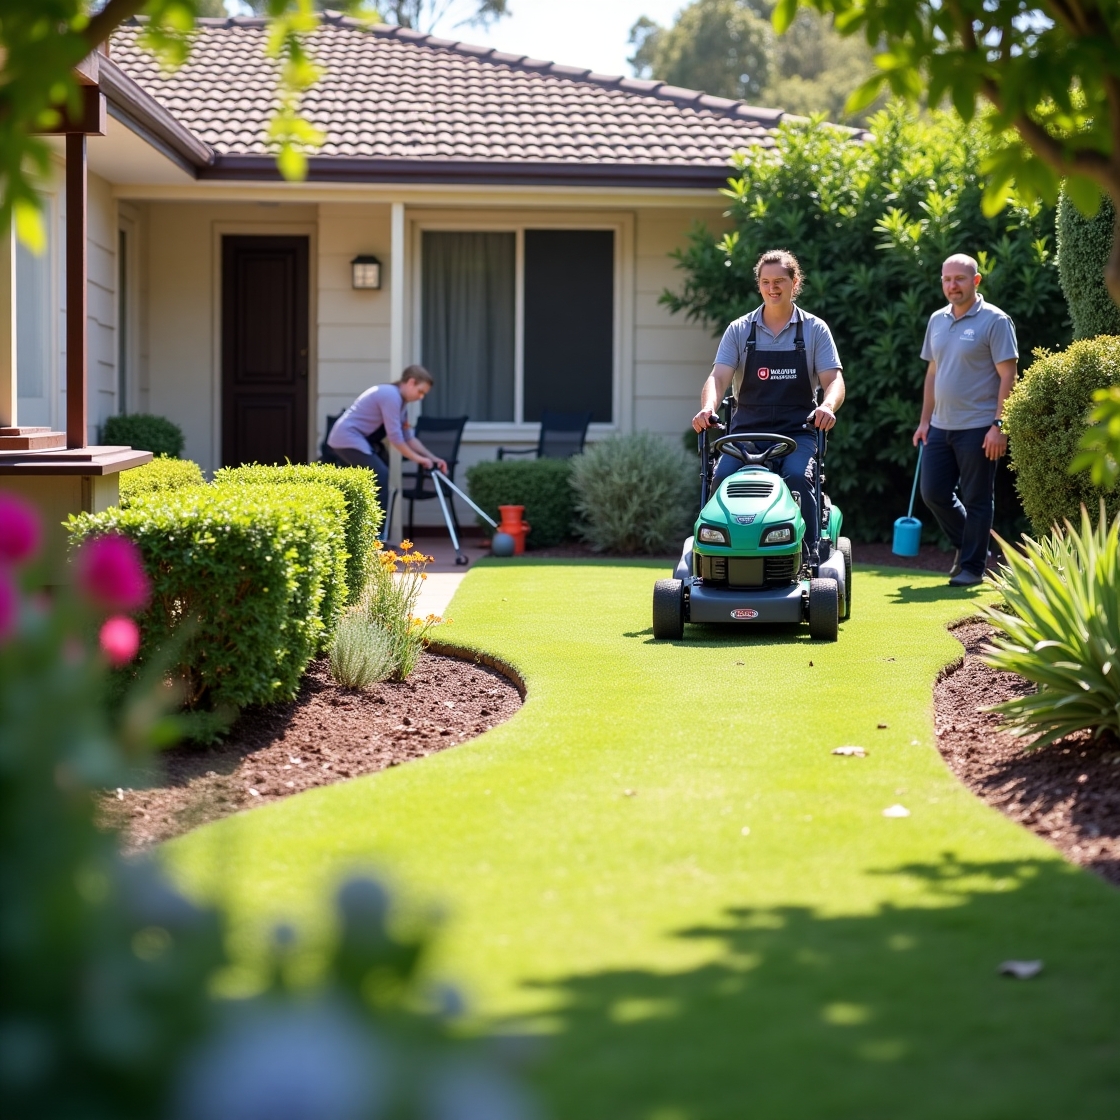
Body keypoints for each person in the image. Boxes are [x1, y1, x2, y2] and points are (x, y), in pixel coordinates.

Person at [692, 248, 845, 551]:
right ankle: (716, 551)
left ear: (794, 282)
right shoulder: (739, 330)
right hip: (745, 434)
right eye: (765, 282)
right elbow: (718, 378)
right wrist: (708, 407)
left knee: (798, 479)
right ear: (759, 284)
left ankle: (808, 554)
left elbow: (834, 380)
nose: (772, 288)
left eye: (779, 281)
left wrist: (827, 406)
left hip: (797, 433)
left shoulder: (815, 330)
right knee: (721, 477)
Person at [912, 254, 1018, 587]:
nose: (951, 285)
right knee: (933, 493)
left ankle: (972, 567)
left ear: (976, 281)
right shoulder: (937, 320)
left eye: (959, 278)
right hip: (941, 426)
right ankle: (971, 547)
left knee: (977, 499)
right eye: (946, 279)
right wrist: (924, 421)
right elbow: (932, 372)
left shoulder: (995, 321)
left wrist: (999, 425)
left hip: (979, 427)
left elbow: (1009, 376)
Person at [327, 365, 448, 536]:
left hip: (361, 440)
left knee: (377, 480)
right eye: (420, 392)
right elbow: (395, 439)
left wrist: (432, 458)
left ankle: (371, 536)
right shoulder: (390, 396)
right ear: (411, 382)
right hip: (346, 438)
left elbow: (408, 438)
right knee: (380, 476)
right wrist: (419, 460)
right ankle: (376, 539)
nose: (420, 397)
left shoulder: (402, 403)